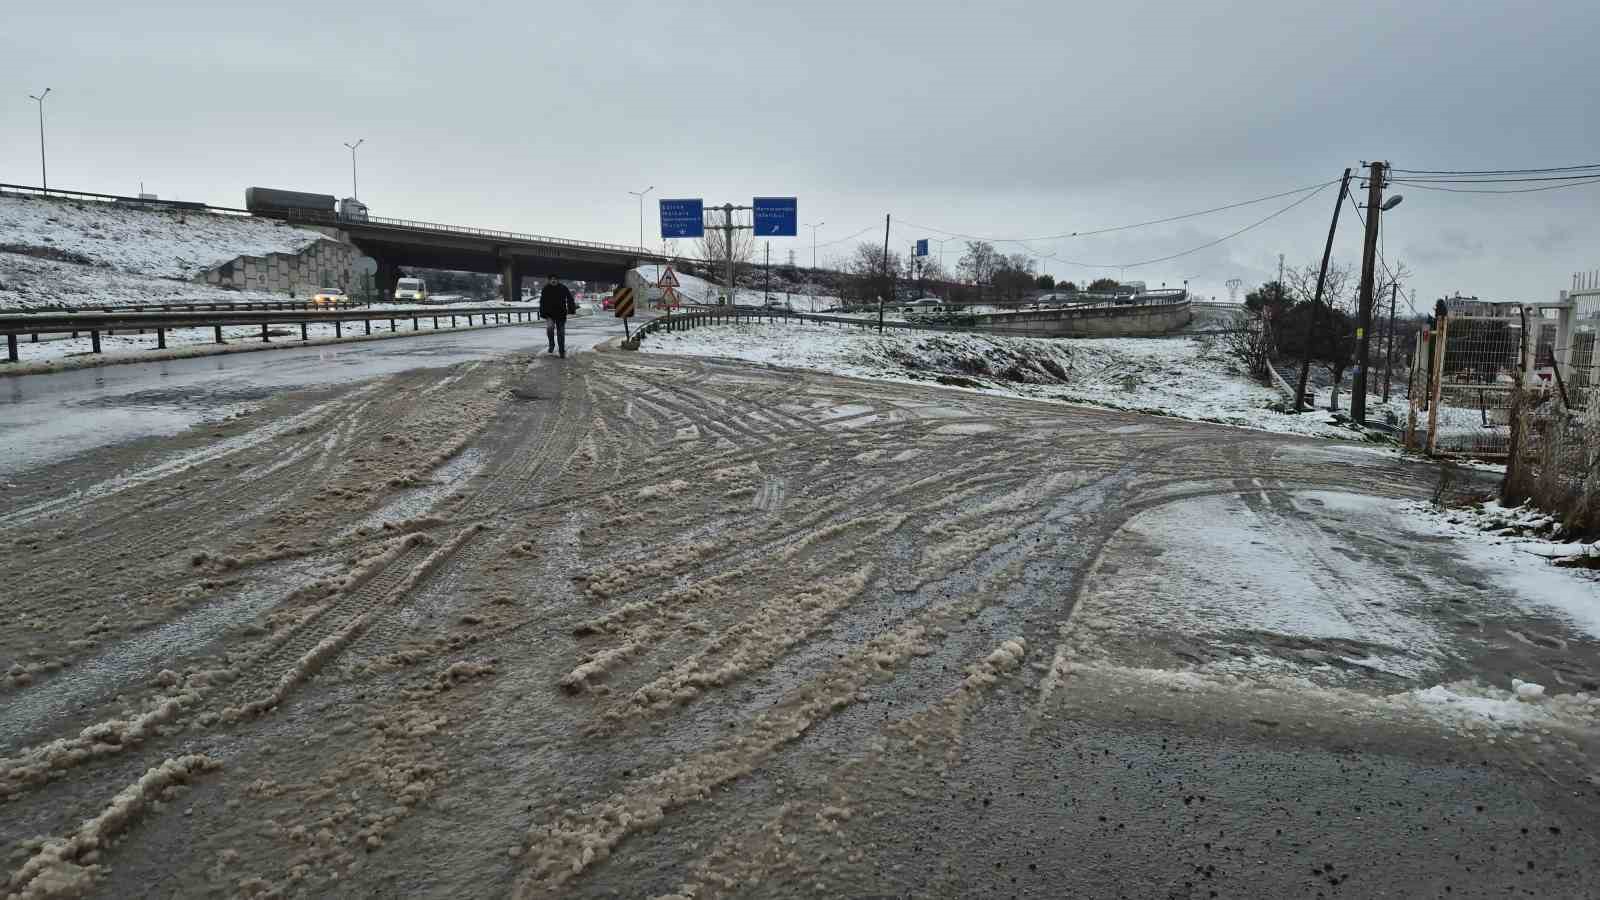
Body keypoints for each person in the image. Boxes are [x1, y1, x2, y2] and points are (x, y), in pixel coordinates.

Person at [539, 277, 578, 357]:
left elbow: (570, 299)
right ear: (549, 280)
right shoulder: (546, 289)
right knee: (550, 328)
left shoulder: (563, 288)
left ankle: (561, 350)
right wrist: (543, 313)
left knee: (561, 333)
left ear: (558, 280)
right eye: (551, 279)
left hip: (561, 314)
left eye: (555, 279)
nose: (553, 280)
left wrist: (571, 309)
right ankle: (551, 344)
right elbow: (542, 302)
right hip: (549, 314)